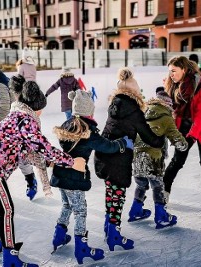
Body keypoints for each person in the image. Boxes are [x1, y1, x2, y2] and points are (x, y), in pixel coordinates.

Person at [0, 81, 85, 266]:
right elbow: (43, 146)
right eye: (41, 109)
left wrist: (50, 163)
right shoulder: (25, 120)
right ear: (35, 107)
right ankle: (10, 258)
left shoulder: (16, 115)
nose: (41, 113)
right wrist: (71, 162)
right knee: (6, 209)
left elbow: (27, 151)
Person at [49, 89, 132, 264]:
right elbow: (107, 147)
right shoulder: (87, 131)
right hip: (75, 177)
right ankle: (82, 247)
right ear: (89, 111)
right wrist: (124, 143)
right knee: (80, 210)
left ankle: (59, 235)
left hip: (60, 172)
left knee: (66, 205)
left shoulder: (67, 125)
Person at [94, 68, 164, 251]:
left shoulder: (115, 104)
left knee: (111, 193)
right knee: (118, 196)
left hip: (104, 154)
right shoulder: (133, 110)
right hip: (118, 158)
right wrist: (161, 139)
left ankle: (108, 228)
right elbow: (149, 136)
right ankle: (114, 234)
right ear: (134, 91)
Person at [162, 56, 201, 214]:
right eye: (170, 71)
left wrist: (192, 135)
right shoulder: (171, 85)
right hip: (184, 126)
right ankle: (164, 191)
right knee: (177, 160)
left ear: (184, 70)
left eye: (174, 71)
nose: (171, 74)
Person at [130, 87, 188, 229]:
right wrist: (184, 146)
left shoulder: (143, 112)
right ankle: (161, 216)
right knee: (158, 186)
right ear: (167, 104)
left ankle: (135, 211)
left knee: (141, 184)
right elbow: (176, 137)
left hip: (136, 156)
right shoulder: (166, 117)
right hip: (153, 158)